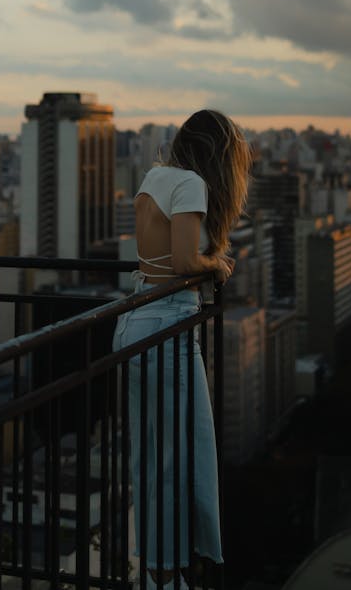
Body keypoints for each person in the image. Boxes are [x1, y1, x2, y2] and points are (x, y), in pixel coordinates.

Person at [113, 109, 251, 589]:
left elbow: (153, 258)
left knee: (151, 458)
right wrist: (217, 264)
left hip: (134, 320)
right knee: (182, 458)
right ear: (217, 153)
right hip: (169, 324)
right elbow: (183, 260)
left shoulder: (155, 175)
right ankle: (167, 576)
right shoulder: (193, 183)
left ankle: (154, 569)